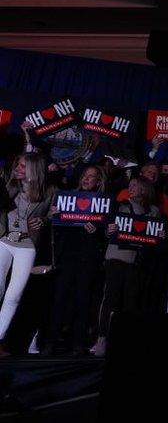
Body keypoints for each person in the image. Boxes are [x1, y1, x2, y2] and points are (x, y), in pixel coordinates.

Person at [91, 175, 161, 356]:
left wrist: (159, 236)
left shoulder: (153, 211)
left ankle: (126, 341)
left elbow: (153, 237)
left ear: (144, 189)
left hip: (137, 262)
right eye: (130, 185)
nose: (131, 188)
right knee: (110, 299)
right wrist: (109, 230)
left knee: (131, 302)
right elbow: (106, 229)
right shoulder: (118, 206)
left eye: (135, 185)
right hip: (115, 258)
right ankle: (102, 339)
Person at [43, 165, 108, 356]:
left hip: (88, 259)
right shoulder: (66, 198)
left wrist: (97, 232)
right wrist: (54, 216)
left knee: (83, 300)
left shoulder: (103, 204)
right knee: (60, 299)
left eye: (92, 177)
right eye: (85, 176)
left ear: (98, 182)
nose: (87, 179)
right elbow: (57, 230)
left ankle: (78, 344)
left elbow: (107, 235)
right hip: (67, 256)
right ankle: (49, 342)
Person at [0, 153, 56, 357]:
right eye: (18, 164)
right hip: (3, 240)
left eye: (23, 166)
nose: (18, 168)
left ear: (34, 170)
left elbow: (55, 214)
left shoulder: (49, 191)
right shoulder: (9, 185)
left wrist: (44, 220)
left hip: (27, 245)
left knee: (14, 296)